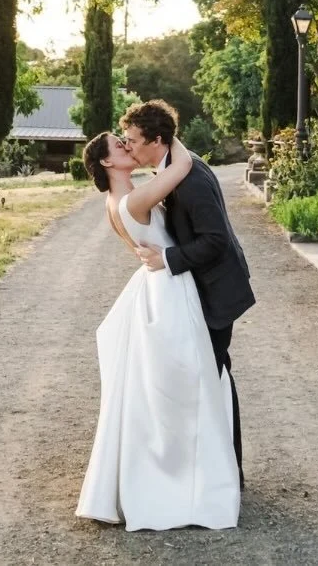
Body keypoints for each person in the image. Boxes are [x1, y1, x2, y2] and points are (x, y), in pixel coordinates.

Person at [75, 128, 240, 532]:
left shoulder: (114, 202)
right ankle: (185, 479)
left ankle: (178, 470)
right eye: (120, 144)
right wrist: (166, 132)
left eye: (127, 140)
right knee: (189, 385)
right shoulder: (134, 199)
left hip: (153, 289)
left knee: (166, 391)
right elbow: (182, 164)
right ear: (108, 163)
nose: (127, 146)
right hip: (168, 293)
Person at [119, 99, 254, 484]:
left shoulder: (190, 181)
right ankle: (213, 468)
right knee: (206, 379)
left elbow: (216, 242)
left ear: (157, 140)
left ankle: (229, 474)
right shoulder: (177, 165)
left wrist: (169, 259)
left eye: (133, 140)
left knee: (213, 379)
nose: (128, 147)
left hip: (218, 294)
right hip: (201, 292)